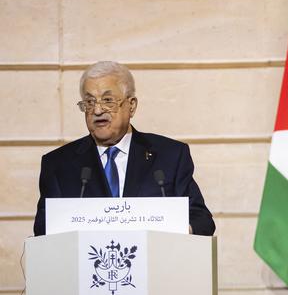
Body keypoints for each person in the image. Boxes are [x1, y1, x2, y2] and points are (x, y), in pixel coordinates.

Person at [33, 61, 215, 236]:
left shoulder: (169, 156)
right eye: (89, 102)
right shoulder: (58, 165)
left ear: (132, 106)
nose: (97, 111)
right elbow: (43, 228)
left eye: (108, 100)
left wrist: (171, 234)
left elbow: (202, 220)